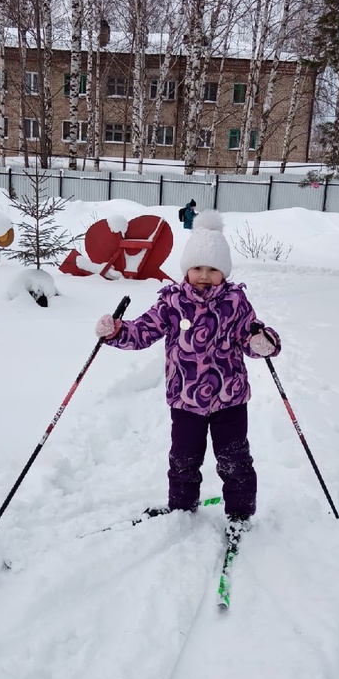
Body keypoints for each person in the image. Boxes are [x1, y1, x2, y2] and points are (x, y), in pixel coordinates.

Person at [95, 210, 280, 529]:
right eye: (197, 268)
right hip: (185, 399)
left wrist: (263, 342)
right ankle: (181, 506)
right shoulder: (172, 302)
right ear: (186, 269)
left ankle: (239, 513)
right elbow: (144, 330)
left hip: (230, 399)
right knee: (183, 459)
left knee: (234, 459)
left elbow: (251, 335)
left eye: (213, 269)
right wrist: (116, 331)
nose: (204, 276)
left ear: (225, 272)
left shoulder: (236, 302)